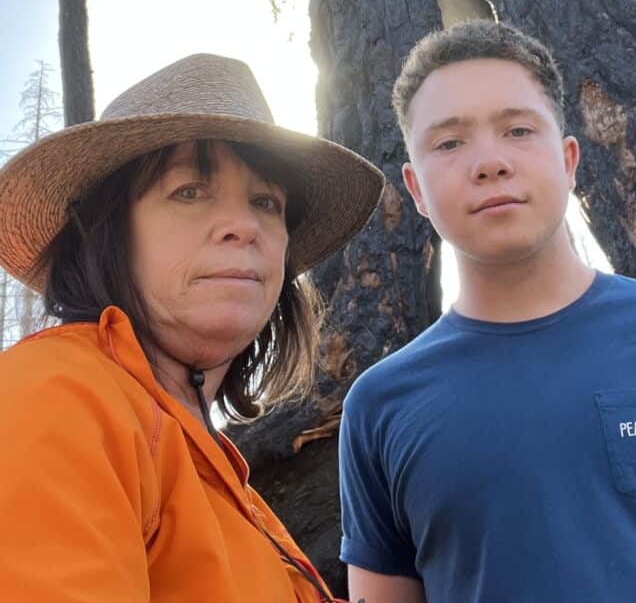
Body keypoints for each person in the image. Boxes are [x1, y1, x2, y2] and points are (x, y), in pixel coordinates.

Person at [339, 20, 636, 602]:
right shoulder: (380, 405)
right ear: (415, 189)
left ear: (568, 160)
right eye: (449, 142)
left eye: (517, 129)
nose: (489, 163)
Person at [0, 52, 384, 602]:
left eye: (266, 202)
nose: (244, 225)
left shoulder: (206, 457)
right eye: (188, 191)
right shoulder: (56, 394)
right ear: (104, 231)